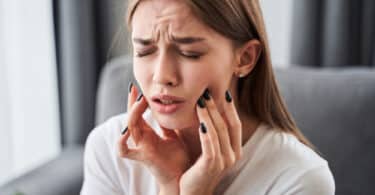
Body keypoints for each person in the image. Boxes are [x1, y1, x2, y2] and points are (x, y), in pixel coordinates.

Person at [80, 0, 335, 194]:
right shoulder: (109, 148)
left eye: (190, 53)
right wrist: (170, 186)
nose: (162, 76)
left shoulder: (299, 178)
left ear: (245, 59)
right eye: (144, 51)